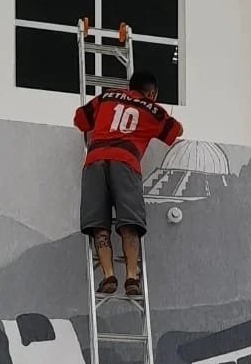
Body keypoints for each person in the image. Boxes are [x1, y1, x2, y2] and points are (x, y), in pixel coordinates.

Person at [74, 70, 183, 296]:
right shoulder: (153, 110)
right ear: (152, 93)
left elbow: (80, 119)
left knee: (98, 225)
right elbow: (175, 132)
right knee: (129, 224)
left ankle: (108, 275)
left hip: (95, 160)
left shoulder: (107, 97)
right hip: (125, 162)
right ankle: (132, 277)